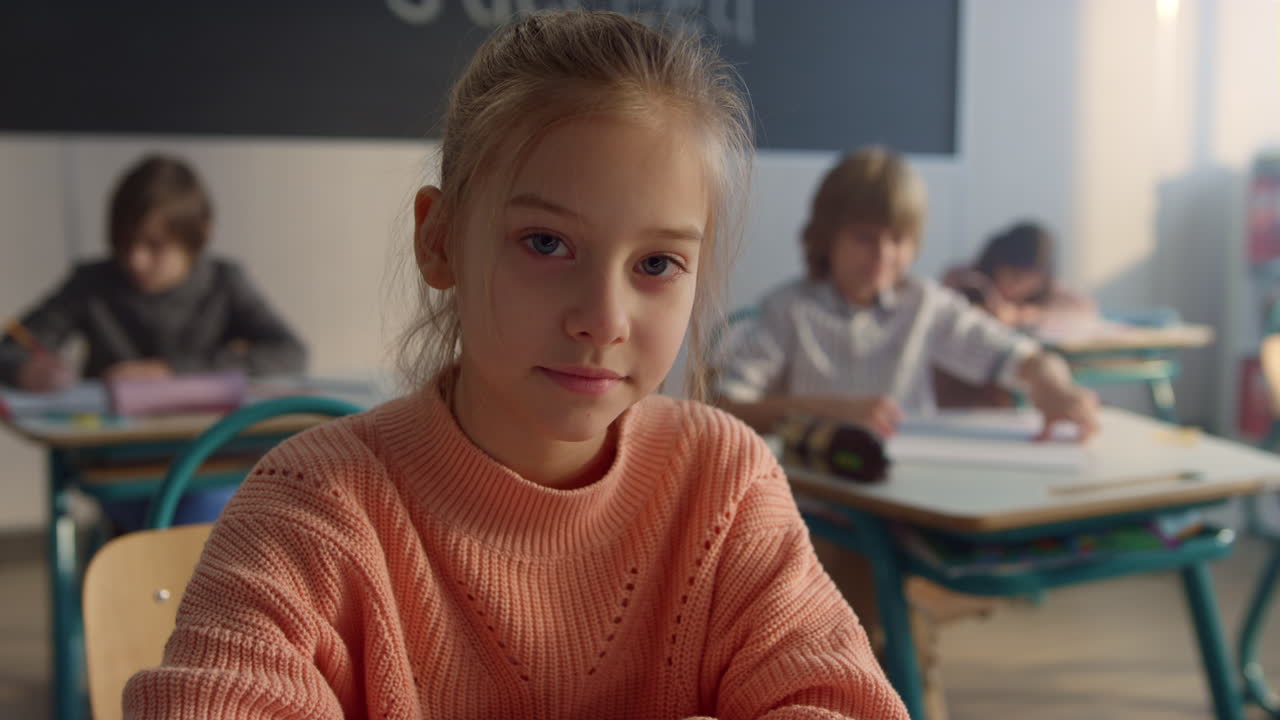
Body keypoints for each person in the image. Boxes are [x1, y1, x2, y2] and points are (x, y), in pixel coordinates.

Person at [124, 11, 909, 719]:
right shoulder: (318, 509)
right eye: (545, 243)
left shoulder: (725, 487)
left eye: (659, 264)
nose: (603, 320)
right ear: (439, 241)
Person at [712, 146, 1100, 720]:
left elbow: (1010, 352)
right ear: (826, 237)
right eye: (865, 237)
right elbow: (726, 404)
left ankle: (904, 685)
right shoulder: (787, 312)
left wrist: (1048, 381)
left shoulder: (924, 306)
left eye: (899, 240)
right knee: (859, 622)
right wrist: (830, 409)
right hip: (817, 517)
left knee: (899, 628)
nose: (884, 256)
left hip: (906, 510)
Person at [0, 154, 307, 528]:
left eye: (155, 245)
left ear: (199, 235)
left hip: (211, 456)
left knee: (209, 513)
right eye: (125, 243)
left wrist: (171, 373)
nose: (136, 259)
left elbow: (289, 352)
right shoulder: (93, 284)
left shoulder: (225, 281)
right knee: (177, 528)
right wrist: (24, 370)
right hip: (121, 465)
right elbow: (11, 347)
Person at [935, 221, 1096, 408]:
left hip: (1021, 374)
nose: (1017, 286)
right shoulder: (967, 280)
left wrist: (1025, 314)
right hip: (961, 383)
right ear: (997, 262)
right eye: (1013, 274)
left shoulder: (1047, 294)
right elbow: (945, 303)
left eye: (1028, 279)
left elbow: (1084, 307)